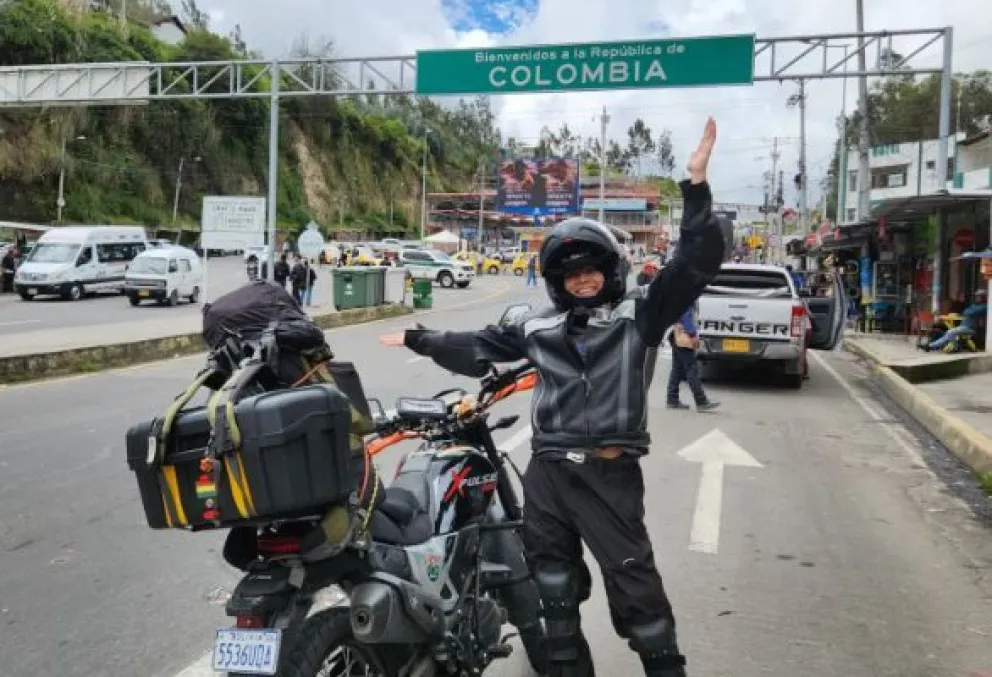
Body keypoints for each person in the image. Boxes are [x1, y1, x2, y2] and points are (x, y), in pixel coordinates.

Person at [379, 118, 724, 677]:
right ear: (557, 283)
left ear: (610, 271)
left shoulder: (642, 315)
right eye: (571, 276)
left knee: (640, 598)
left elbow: (698, 260)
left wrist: (695, 184)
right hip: (548, 474)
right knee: (553, 595)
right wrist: (422, 339)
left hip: (609, 476)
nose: (582, 281)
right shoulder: (539, 327)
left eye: (591, 271)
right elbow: (480, 345)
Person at [666, 302, 718, 411]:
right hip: (683, 333)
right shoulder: (688, 290)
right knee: (691, 368)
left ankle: (672, 399)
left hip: (675, 332)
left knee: (677, 368)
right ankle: (701, 401)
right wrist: (693, 334)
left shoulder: (679, 289)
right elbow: (686, 314)